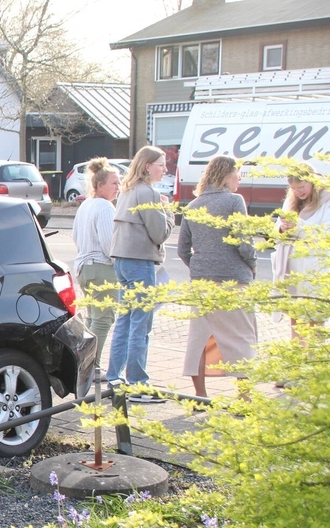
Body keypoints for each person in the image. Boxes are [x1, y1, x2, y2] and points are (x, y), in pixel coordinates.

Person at [176, 155, 257, 398]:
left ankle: (199, 397)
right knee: (241, 337)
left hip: (201, 282)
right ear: (226, 175)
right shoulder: (234, 201)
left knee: (199, 340)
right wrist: (252, 265)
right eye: (238, 173)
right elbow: (243, 242)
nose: (240, 179)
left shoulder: (193, 206)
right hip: (233, 278)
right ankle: (244, 397)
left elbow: (182, 249)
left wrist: (199, 266)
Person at [105, 145, 175, 402]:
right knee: (140, 324)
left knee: (124, 320)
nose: (165, 169)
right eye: (161, 164)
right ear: (147, 165)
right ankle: (138, 384)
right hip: (140, 262)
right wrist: (168, 213)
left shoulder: (126, 190)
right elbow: (160, 233)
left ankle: (114, 376)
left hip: (122, 261)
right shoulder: (148, 192)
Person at [71, 157, 121, 376]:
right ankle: (92, 366)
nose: (118, 188)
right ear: (99, 185)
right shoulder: (105, 207)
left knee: (92, 317)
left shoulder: (86, 205)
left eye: (119, 183)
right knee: (104, 318)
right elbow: (110, 244)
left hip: (84, 268)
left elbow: (75, 236)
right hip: (101, 267)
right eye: (114, 183)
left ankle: (85, 362)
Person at [271, 163, 330, 341]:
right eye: (294, 188)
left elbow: (325, 232)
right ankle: (296, 360)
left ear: (312, 181)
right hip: (291, 268)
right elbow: (275, 234)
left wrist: (299, 226)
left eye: (302, 187)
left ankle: (312, 362)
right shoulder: (291, 201)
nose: (299, 192)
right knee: (294, 315)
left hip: (313, 268)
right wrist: (282, 228)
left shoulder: (326, 200)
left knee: (313, 316)